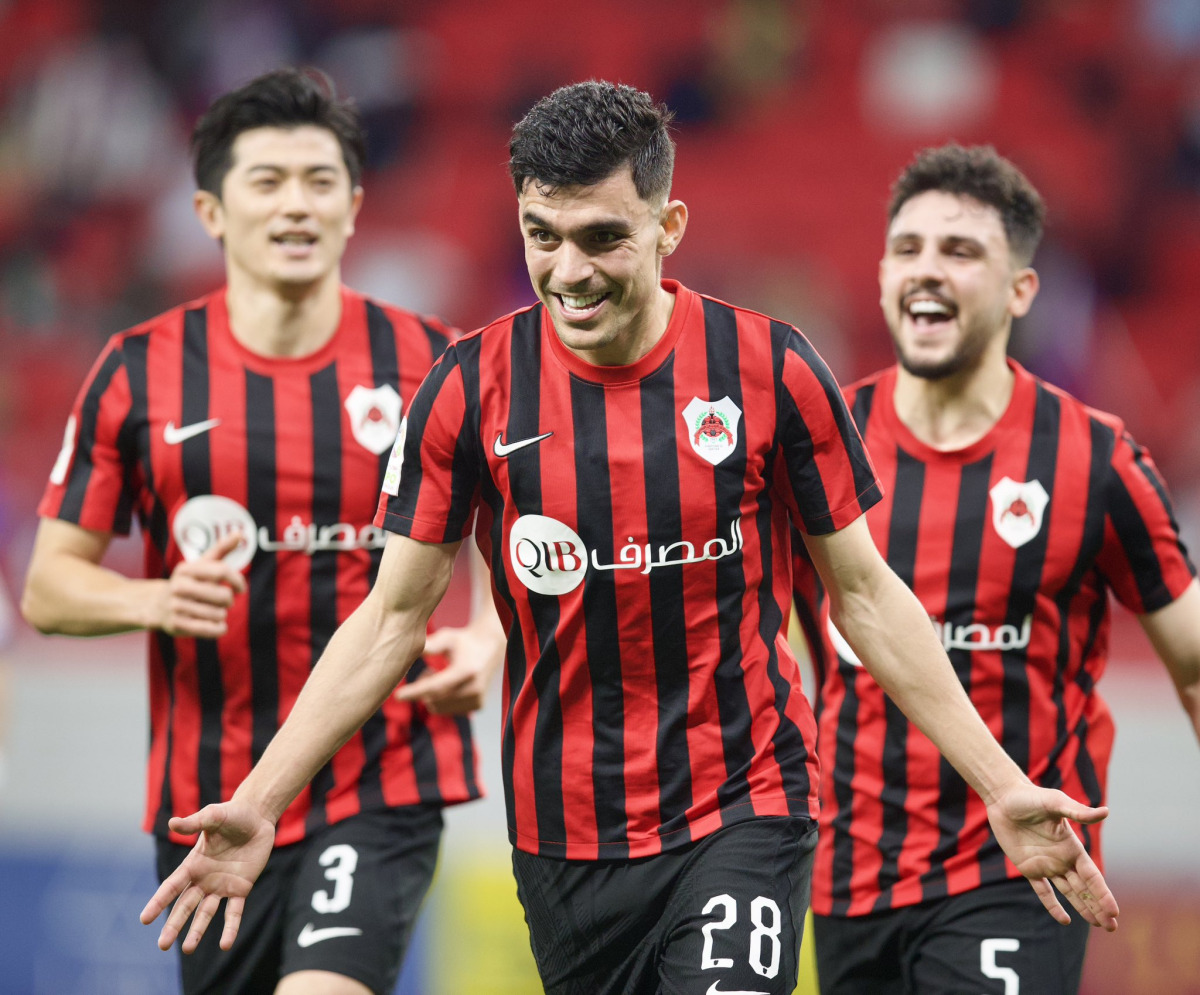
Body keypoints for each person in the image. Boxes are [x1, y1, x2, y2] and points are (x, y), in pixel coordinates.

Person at [139, 83, 1119, 995]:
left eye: (602, 236)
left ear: (668, 226)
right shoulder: (468, 387)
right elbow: (392, 616)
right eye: (542, 235)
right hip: (565, 840)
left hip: (746, 800)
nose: (568, 271)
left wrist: (1000, 784)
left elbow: (863, 594)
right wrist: (263, 798)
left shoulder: (768, 368)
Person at [21, 67, 504, 995]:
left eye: (320, 182)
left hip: (382, 772)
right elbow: (49, 584)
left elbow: (509, 532)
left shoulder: (431, 363)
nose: (297, 204)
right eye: (267, 181)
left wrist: (485, 636)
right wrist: (152, 596)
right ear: (209, 209)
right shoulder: (136, 373)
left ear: (355, 206)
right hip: (214, 795)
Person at [793, 143, 1200, 994]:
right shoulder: (819, 446)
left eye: (960, 251)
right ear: (880, 279)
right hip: (845, 879)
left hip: (1019, 877)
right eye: (907, 249)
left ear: (1021, 289)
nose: (926, 271)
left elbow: (1193, 661)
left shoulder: (1093, 457)